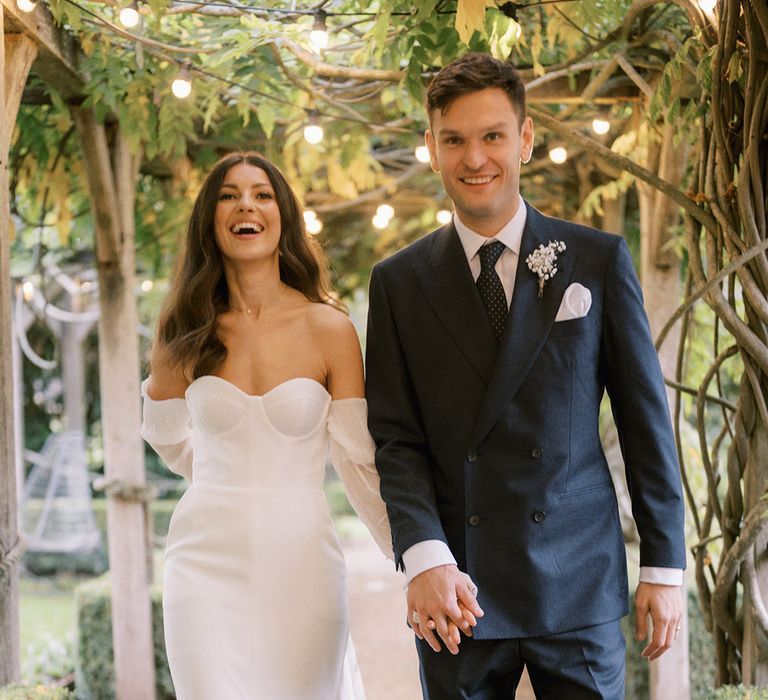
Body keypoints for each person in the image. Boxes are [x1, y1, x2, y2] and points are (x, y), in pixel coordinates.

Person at [365, 53, 686, 699]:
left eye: (492, 136)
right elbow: (397, 439)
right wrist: (425, 558)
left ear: (526, 139)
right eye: (454, 139)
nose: (474, 158)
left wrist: (664, 565)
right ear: (430, 148)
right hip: (458, 586)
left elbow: (644, 419)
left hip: (576, 579)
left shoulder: (595, 259)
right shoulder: (398, 282)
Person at [140, 151, 393, 700]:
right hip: (202, 561)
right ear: (210, 219)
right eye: (229, 195)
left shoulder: (329, 328)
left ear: (284, 218)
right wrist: (213, 474)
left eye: (261, 194)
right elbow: (163, 431)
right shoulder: (182, 330)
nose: (245, 205)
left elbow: (357, 457)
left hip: (303, 560)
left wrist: (412, 553)